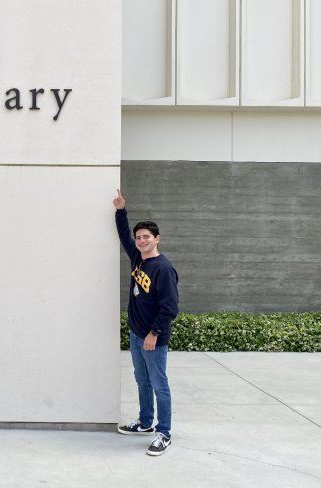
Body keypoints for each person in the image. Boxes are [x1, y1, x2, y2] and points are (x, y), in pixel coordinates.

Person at [113, 189, 179, 456]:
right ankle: (145, 422)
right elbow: (123, 235)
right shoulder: (138, 258)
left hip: (153, 337)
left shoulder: (163, 268)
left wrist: (154, 333)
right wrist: (120, 211)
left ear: (157, 239)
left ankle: (164, 432)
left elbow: (170, 307)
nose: (141, 241)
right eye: (139, 237)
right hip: (136, 333)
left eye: (146, 237)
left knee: (158, 383)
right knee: (141, 380)